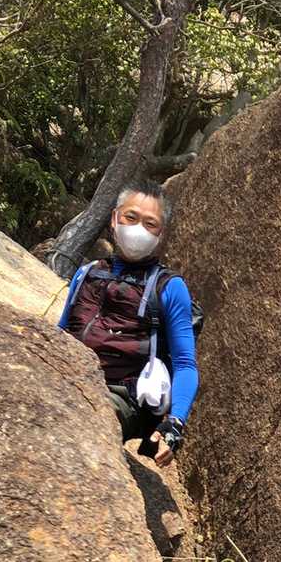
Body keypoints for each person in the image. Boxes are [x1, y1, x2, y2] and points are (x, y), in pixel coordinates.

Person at [58, 180, 198, 469]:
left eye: (150, 224)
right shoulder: (87, 273)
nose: (138, 229)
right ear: (114, 218)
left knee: (76, 422)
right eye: (131, 217)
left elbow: (185, 364)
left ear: (160, 234)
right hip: (67, 375)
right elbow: (60, 332)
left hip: (121, 394)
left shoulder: (169, 287)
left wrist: (175, 423)